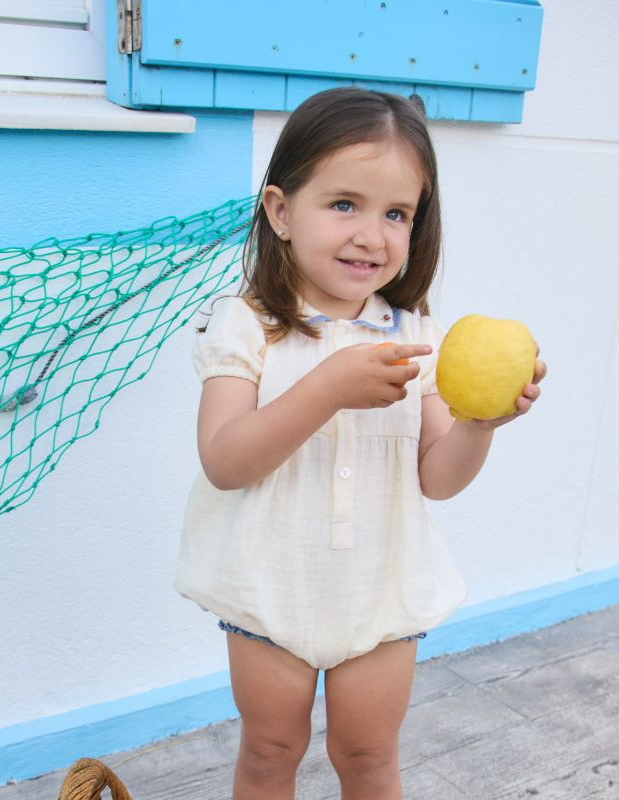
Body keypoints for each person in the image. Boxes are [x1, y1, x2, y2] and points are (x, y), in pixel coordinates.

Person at [175, 87, 546, 800]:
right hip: (271, 587)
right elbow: (224, 460)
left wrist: (480, 423)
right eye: (344, 204)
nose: (372, 235)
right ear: (281, 212)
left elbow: (437, 478)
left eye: (396, 213)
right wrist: (325, 386)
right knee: (270, 749)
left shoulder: (417, 335)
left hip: (380, 590)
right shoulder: (246, 325)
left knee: (370, 754)